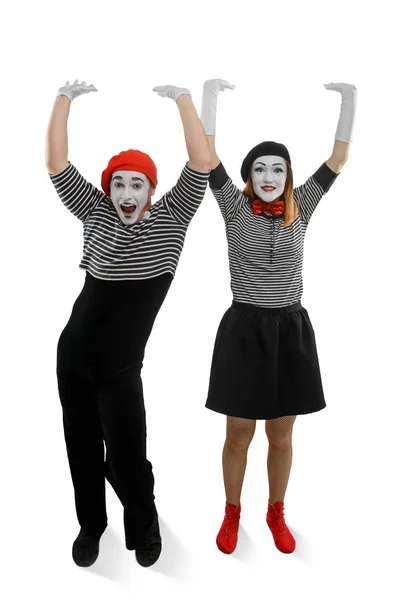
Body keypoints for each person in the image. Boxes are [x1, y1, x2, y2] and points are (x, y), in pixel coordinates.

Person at [45, 79, 211, 567]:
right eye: (118, 182)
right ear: (107, 188)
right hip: (73, 357)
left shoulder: (169, 222)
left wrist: (183, 98)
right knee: (80, 448)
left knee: (128, 458)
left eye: (136, 183)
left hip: (120, 370)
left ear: (152, 191)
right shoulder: (95, 212)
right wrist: (64, 99)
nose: (125, 191)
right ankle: (91, 526)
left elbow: (201, 162)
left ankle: (144, 526)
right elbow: (56, 164)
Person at [200, 79, 357, 554]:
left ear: (289, 176)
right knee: (239, 433)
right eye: (261, 169)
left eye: (279, 169)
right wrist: (209, 95)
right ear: (250, 175)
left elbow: (337, 159)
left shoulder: (302, 206)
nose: (269, 176)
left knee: (282, 436)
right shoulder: (233, 207)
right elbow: (206, 158)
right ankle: (232, 514)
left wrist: (350, 100)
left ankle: (276, 511)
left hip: (290, 330)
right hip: (244, 330)